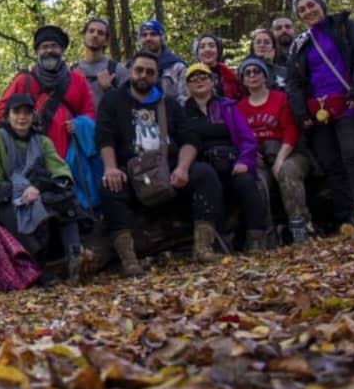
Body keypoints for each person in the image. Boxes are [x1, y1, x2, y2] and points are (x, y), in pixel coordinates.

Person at [96, 52, 220, 276]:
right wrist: (110, 168)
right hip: (132, 172)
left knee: (204, 173)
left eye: (150, 72)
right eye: (139, 70)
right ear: (131, 71)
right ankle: (129, 259)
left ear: (157, 76)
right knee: (109, 188)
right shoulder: (113, 101)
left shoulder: (169, 104)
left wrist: (182, 168)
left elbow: (190, 139)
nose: (144, 75)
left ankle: (203, 246)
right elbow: (104, 137)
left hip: (168, 169)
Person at [285, 0, 354, 230]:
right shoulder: (299, 44)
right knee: (331, 163)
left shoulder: (345, 27)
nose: (307, 11)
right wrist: (302, 114)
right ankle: (347, 220)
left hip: (350, 105)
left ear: (321, 5)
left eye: (310, 5)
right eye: (301, 9)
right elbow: (293, 82)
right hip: (320, 112)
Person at [0, 94, 91, 286]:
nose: (22, 117)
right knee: (18, 209)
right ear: (8, 115)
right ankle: (40, 271)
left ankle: (75, 257)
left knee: (66, 202)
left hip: (38, 189)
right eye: (16, 112)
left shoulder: (42, 141)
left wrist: (37, 188)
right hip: (7, 195)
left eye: (27, 113)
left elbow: (61, 171)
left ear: (33, 116)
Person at [182, 63, 267, 253]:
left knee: (246, 183)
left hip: (232, 160)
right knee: (209, 184)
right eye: (193, 79)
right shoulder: (183, 112)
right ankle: (212, 242)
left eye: (203, 77)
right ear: (187, 85)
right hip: (203, 164)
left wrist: (245, 161)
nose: (199, 82)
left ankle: (256, 238)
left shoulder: (227, 106)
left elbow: (247, 139)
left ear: (212, 81)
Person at [236, 57, 312, 244]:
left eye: (257, 72)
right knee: (256, 181)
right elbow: (239, 138)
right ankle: (267, 234)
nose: (253, 76)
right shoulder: (240, 107)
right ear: (243, 80)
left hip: (289, 152)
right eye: (248, 73)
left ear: (265, 76)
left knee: (287, 172)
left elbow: (290, 131)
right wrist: (250, 156)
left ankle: (300, 226)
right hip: (259, 157)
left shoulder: (280, 98)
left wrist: (280, 159)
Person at [0, 26, 96, 163]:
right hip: (29, 155)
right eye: (44, 47)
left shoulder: (78, 81)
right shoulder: (24, 80)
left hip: (71, 154)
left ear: (62, 50)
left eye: (54, 46)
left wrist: (79, 124)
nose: (49, 50)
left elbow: (90, 113)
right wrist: (22, 128)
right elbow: (1, 111)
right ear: (37, 52)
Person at [72, 17, 128, 110]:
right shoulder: (72, 72)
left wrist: (109, 89)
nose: (95, 35)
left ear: (106, 41)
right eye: (91, 31)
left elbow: (129, 107)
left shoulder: (118, 70)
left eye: (100, 33)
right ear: (84, 36)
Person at [134, 20, 189, 104]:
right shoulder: (131, 67)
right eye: (144, 35)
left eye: (153, 34)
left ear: (162, 38)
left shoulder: (177, 66)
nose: (148, 38)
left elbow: (185, 98)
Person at [192, 34, 243, 100]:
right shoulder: (191, 77)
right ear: (197, 53)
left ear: (218, 50)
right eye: (202, 47)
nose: (207, 49)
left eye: (212, 46)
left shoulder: (231, 77)